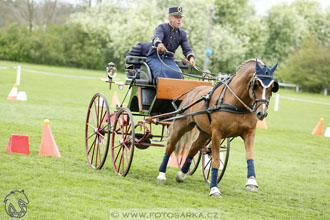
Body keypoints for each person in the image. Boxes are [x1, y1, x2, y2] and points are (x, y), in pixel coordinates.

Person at [146, 7, 195, 83]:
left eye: (180, 18)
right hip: (155, 58)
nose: (179, 20)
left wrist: (191, 58)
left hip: (169, 60)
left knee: (179, 76)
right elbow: (157, 38)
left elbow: (187, 49)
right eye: (177, 17)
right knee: (161, 74)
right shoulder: (161, 27)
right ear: (170, 19)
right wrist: (159, 45)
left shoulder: (182, 34)